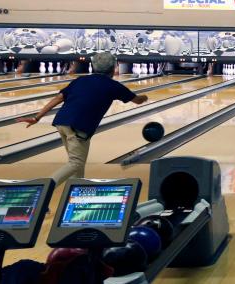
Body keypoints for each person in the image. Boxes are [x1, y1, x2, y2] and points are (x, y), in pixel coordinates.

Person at [16, 52, 148, 185]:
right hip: (78, 127)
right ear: (114, 68)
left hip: (62, 122)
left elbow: (59, 98)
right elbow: (137, 100)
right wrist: (144, 97)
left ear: (93, 66)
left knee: (78, 166)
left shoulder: (79, 80)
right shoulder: (113, 85)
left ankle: (75, 197)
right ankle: (42, 188)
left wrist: (36, 117)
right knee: (76, 163)